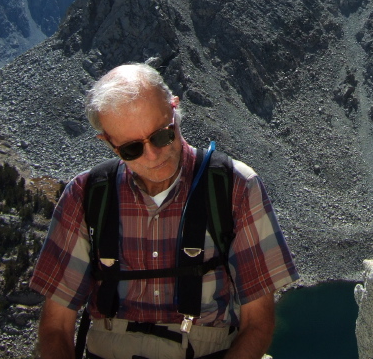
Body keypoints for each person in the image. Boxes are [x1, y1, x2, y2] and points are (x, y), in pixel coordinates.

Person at [30, 63, 299, 359]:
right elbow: (56, 327)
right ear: (108, 142)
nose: (153, 155)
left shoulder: (234, 186)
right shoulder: (85, 194)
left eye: (161, 135)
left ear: (175, 108)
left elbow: (258, 322)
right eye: (132, 149)